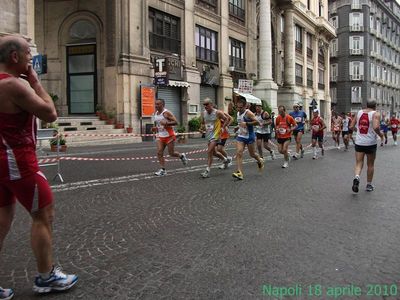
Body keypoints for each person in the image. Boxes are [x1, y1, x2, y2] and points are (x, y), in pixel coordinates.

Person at [0, 35, 78, 299]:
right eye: (28, 56)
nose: (30, 60)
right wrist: (33, 80)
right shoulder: (13, 85)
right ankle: (47, 277)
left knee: (1, 220)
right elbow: (50, 113)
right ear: (14, 57)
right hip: (17, 160)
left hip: (1, 159)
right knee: (43, 215)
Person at [350, 101, 384, 193]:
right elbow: (376, 127)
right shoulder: (375, 114)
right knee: (370, 164)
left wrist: (358, 131)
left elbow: (351, 126)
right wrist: (381, 135)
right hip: (370, 143)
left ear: (366, 105)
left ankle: (357, 178)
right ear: (375, 106)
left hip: (359, 142)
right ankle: (369, 185)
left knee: (359, 163)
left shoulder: (359, 113)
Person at [152, 99, 188, 176]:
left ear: (162, 105)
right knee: (159, 152)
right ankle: (163, 170)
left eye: (158, 104)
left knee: (171, 153)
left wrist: (167, 123)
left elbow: (176, 122)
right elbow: (158, 125)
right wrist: (155, 128)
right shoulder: (155, 113)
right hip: (160, 136)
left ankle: (181, 156)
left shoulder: (166, 113)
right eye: (155, 104)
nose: (156, 106)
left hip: (169, 136)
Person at [232, 97, 264, 180]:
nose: (239, 109)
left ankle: (260, 160)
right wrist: (237, 127)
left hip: (249, 136)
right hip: (241, 136)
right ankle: (239, 172)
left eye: (241, 107)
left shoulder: (248, 113)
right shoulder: (238, 113)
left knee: (252, 154)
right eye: (237, 107)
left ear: (245, 106)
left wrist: (247, 123)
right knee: (239, 152)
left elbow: (258, 122)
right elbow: (240, 123)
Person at [199, 98, 231, 178]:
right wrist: (201, 129)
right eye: (204, 105)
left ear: (211, 104)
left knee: (209, 151)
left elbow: (227, 119)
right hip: (208, 135)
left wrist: (223, 127)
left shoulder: (218, 112)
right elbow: (203, 123)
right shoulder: (204, 113)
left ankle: (207, 171)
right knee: (214, 153)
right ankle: (225, 159)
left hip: (216, 135)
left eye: (207, 104)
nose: (205, 106)